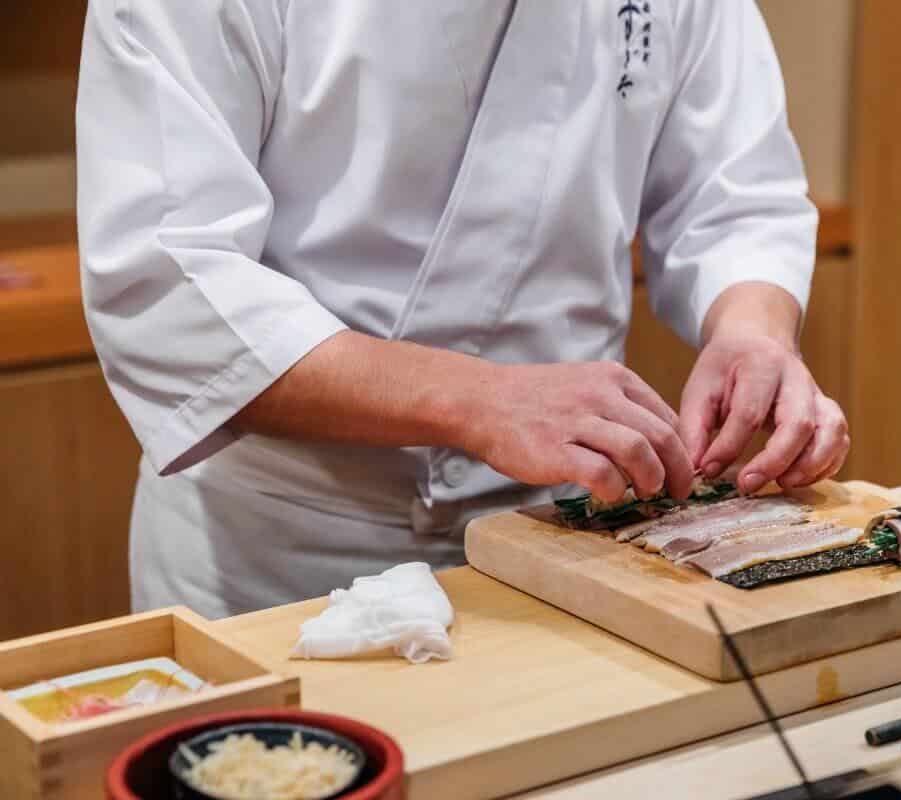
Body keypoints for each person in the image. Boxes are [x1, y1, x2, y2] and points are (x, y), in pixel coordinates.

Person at [76, 0, 850, 619]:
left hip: (566, 531)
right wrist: (478, 400)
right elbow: (170, 277)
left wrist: (754, 332)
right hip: (285, 545)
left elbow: (737, 195)